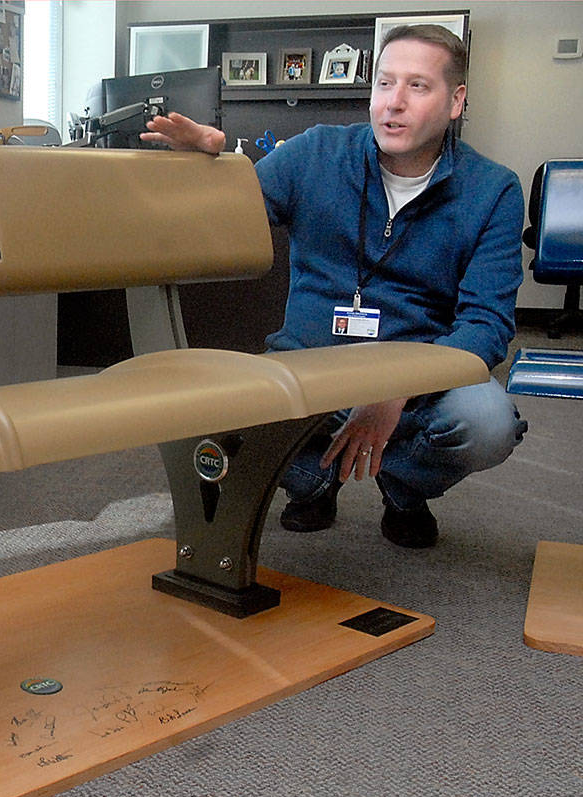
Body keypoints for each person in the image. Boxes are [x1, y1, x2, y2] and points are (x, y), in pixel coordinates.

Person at [141, 24, 527, 549]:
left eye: (417, 87)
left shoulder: (493, 190)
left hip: (416, 382)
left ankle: (403, 486)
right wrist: (215, 167)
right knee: (217, 410)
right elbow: (227, 220)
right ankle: (316, 482)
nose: (393, 103)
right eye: (384, 84)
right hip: (309, 370)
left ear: (455, 100)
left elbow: (487, 325)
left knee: (487, 421)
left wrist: (398, 387)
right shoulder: (317, 152)